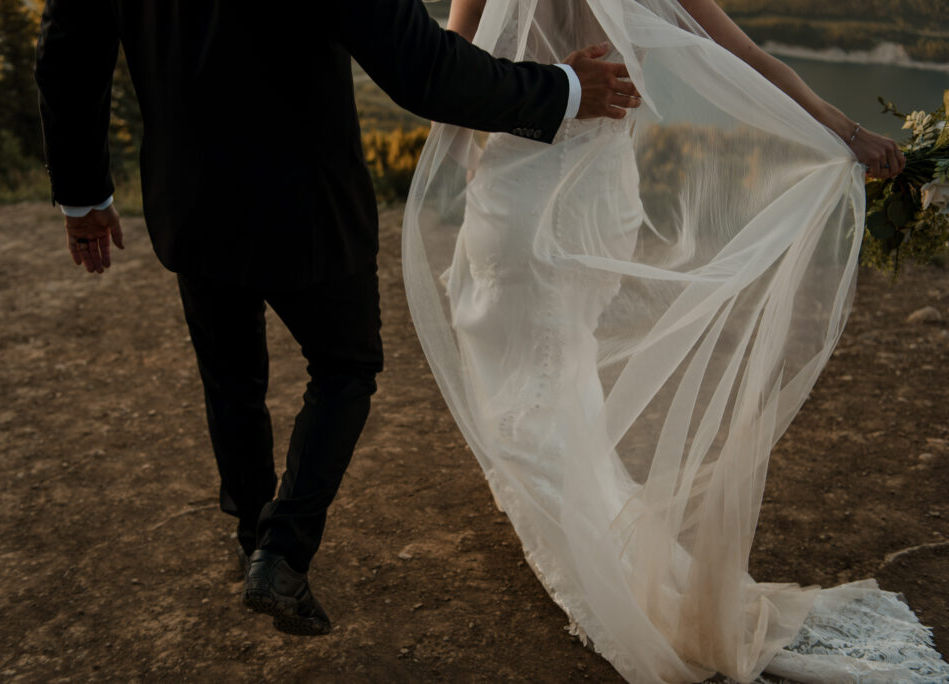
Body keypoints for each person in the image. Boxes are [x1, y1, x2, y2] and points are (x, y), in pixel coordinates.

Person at [34, 0, 647, 638]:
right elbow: (422, 69)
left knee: (230, 374)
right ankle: (281, 552)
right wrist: (564, 89)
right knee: (345, 365)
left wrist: (83, 197)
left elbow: (67, 48)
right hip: (308, 203)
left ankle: (253, 536)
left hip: (191, 198)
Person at [403, 0, 949, 682]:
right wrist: (850, 131)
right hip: (601, 192)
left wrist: (466, 157)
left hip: (522, 190)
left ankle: (590, 551)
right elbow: (749, 58)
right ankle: (578, 513)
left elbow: (445, 74)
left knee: (526, 381)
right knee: (559, 367)